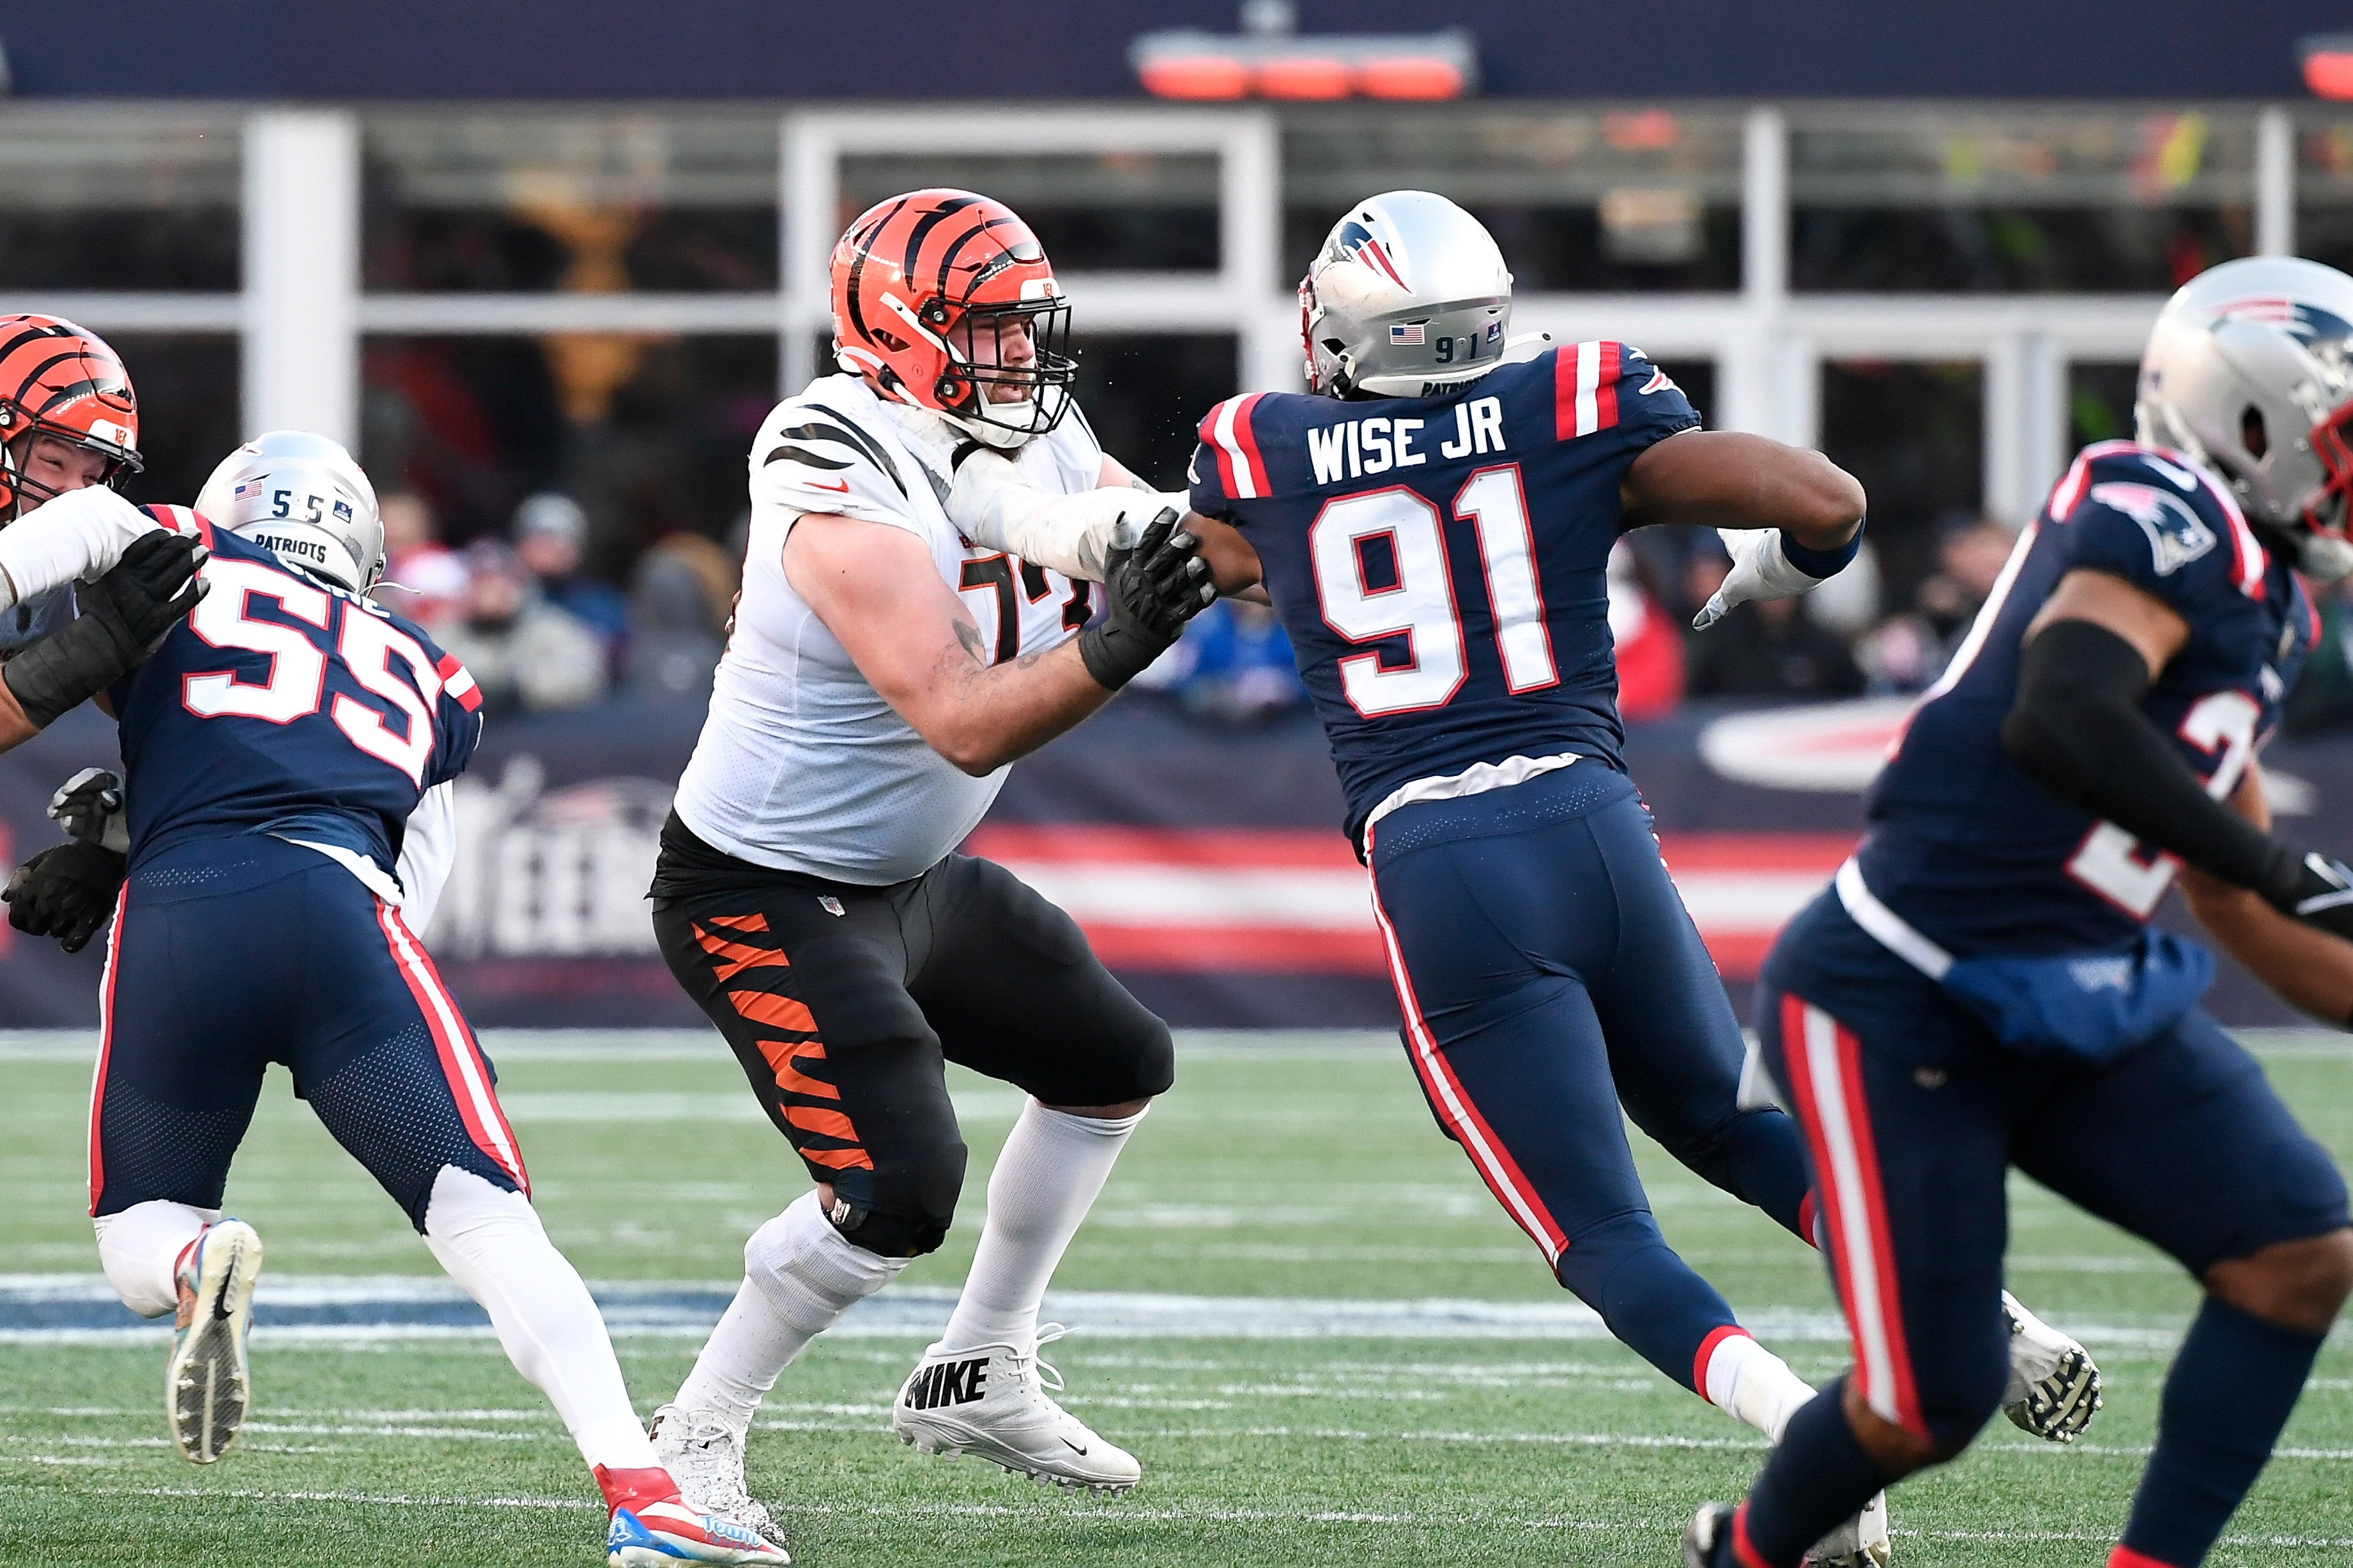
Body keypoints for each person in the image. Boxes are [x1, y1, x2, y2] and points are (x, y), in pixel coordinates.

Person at [944, 190, 2099, 1567]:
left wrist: (993, 497)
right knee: (1724, 1125)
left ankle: (1817, 1454)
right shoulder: (1570, 401)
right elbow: (1824, 503)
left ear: (1342, 324)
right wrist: (1772, 574)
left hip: (1442, 862)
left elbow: (1159, 553)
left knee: (1596, 1229)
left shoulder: (1269, 446)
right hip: (1597, 824)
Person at [0, 432, 779, 1567]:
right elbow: (406, 874)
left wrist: (130, 840)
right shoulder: (427, 668)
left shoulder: (175, 544)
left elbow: (74, 540)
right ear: (359, 551)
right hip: (339, 918)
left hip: (174, 914)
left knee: (139, 1230)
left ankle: (192, 1267)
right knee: (484, 1216)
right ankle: (644, 1497)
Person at [1682, 256, 2353, 1568]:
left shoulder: (2270, 598)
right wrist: (2283, 872)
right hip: (1900, 991)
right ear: (2249, 422)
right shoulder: (2154, 497)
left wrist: (2276, 884)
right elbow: (2064, 714)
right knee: (1921, 1404)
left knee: (2294, 1253)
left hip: (2071, 982)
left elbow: (2218, 877)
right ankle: (1748, 1554)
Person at [642, 188, 1213, 1548]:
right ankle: (688, 1447)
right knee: (896, 1189)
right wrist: (1114, 647)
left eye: (1027, 328)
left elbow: (1191, 544)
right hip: (757, 891)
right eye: (991, 332)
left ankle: (979, 1367)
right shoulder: (829, 453)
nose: (1024, 358)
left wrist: (1347, 517)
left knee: (1110, 1063)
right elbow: (957, 717)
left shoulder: (1030, 429)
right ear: (899, 334)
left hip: (907, 877)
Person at [435, 540, 609, 713]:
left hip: (539, 728)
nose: (490, 589)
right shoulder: (443, 637)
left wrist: (518, 690)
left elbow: (583, 675)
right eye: (479, 580)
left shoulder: (554, 628)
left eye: (498, 578)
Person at [514, 490, 631, 663]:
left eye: (557, 541)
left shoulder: (603, 605)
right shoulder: (504, 602)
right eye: (539, 540)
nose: (547, 550)